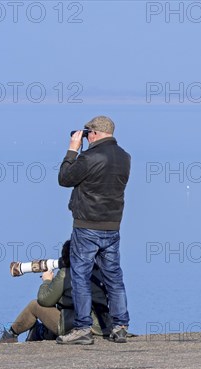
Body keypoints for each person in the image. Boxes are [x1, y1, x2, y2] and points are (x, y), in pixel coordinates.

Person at [57, 115, 131, 345]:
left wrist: (72, 150)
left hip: (87, 225)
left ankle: (83, 328)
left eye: (88, 133)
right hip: (112, 225)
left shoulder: (89, 157)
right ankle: (120, 326)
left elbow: (64, 178)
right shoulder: (124, 157)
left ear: (95, 133)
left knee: (80, 276)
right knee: (114, 276)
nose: (86, 137)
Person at [0, 241, 112, 344]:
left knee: (34, 305)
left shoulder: (66, 273)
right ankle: (41, 332)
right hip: (103, 325)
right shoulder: (99, 271)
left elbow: (44, 300)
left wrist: (47, 281)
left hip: (77, 326)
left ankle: (11, 335)